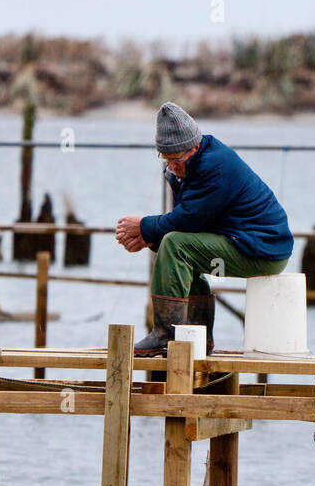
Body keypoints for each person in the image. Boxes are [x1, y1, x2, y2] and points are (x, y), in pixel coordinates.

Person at [115, 102, 293, 355]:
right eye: (165, 158)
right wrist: (149, 238)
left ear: (194, 147)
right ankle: (199, 335)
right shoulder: (185, 168)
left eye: (176, 159)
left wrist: (144, 227)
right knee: (179, 247)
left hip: (262, 250)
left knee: (177, 245)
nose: (171, 166)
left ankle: (165, 334)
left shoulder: (214, 165)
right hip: (247, 243)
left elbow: (189, 220)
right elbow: (189, 225)